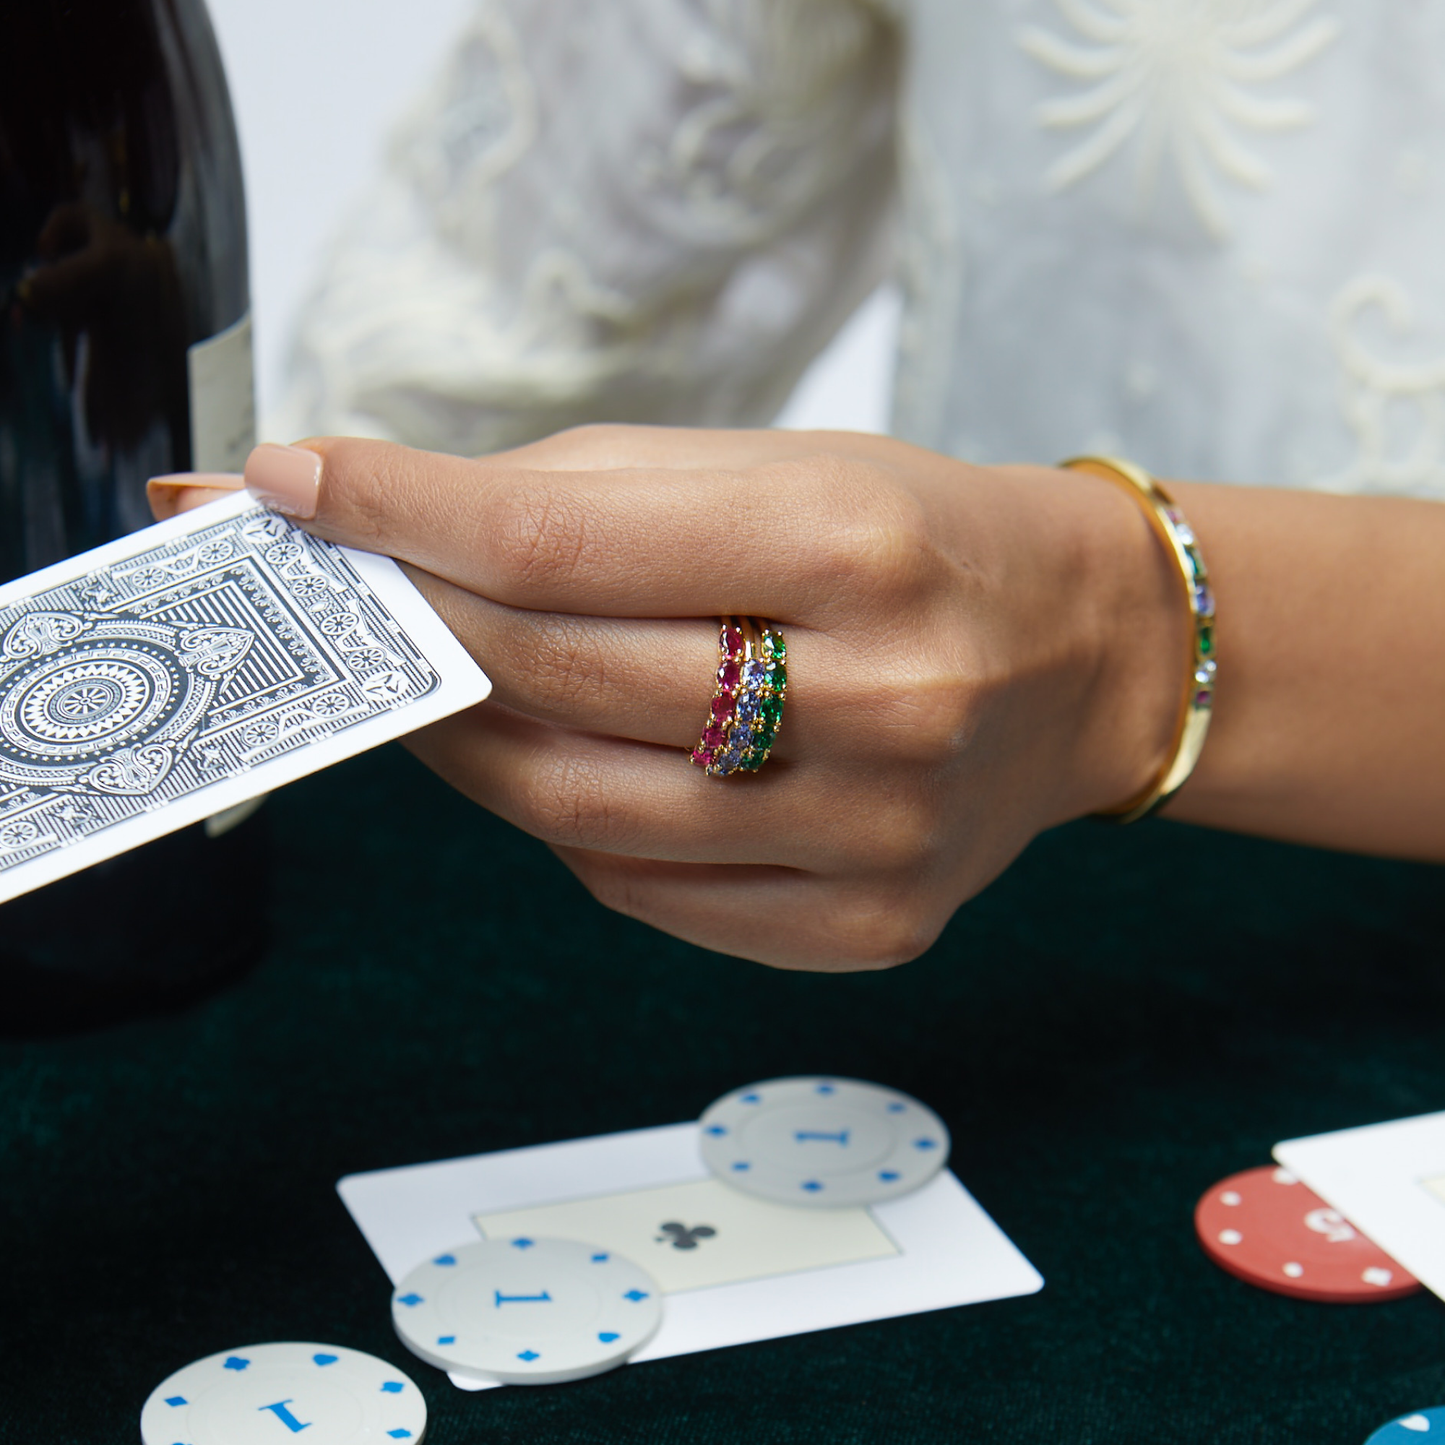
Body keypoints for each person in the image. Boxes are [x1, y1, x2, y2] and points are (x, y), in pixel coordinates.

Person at [152, 1, 1445, 970]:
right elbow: (519, 276)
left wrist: (1121, 645)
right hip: (981, 891)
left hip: (988, 828)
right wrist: (305, 573)